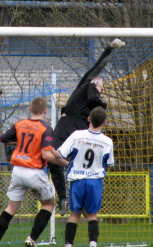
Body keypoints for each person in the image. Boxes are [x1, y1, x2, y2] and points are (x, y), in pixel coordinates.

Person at [50, 38, 124, 215]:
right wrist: (109, 50)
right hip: (67, 123)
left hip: (80, 130)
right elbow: (96, 68)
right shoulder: (84, 86)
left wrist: (96, 91)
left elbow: (96, 107)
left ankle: (82, 201)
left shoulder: (97, 103)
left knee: (85, 164)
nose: (97, 79)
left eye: (99, 82)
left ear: (101, 88)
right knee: (51, 157)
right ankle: (63, 198)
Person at [0, 97, 69, 247]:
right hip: (34, 172)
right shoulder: (46, 128)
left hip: (18, 171)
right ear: (45, 111)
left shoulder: (20, 124)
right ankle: (32, 239)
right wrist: (65, 163)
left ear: (30, 109)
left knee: (10, 208)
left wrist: (19, 141)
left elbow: (2, 139)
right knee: (48, 204)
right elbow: (45, 155)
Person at [55, 106, 114, 247]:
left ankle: (69, 244)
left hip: (77, 180)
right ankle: (92, 243)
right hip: (95, 181)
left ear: (89, 119)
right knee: (92, 215)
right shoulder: (107, 141)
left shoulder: (77, 135)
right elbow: (110, 163)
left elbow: (60, 154)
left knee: (74, 214)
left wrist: (52, 152)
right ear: (105, 122)